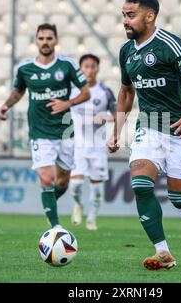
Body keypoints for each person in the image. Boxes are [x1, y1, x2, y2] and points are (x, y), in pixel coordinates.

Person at [107, 0, 181, 270]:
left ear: (150, 16)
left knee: (179, 197)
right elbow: (127, 90)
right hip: (150, 127)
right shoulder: (126, 51)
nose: (125, 21)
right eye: (123, 15)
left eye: (131, 15)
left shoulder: (170, 44)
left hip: (179, 129)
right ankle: (163, 252)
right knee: (140, 185)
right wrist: (117, 129)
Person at [0, 23, 90, 229]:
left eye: (49, 38)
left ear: (56, 41)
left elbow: (86, 92)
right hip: (40, 132)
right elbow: (18, 92)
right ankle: (55, 227)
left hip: (65, 130)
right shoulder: (25, 68)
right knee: (46, 179)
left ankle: (49, 204)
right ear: (36, 41)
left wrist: (68, 103)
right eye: (41, 38)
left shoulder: (67, 65)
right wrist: (5, 106)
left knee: (62, 182)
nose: (45, 42)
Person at [68, 54, 117, 230]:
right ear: (80, 69)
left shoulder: (105, 91)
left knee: (96, 189)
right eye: (86, 66)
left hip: (97, 147)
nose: (89, 70)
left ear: (97, 69)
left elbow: (117, 115)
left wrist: (105, 116)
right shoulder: (72, 90)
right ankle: (78, 204)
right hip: (77, 146)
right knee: (75, 185)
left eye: (92, 66)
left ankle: (92, 218)